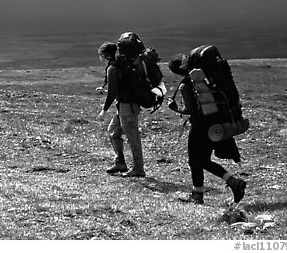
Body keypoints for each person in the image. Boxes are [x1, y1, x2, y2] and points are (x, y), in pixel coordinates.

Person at [167, 54, 246, 204]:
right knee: (202, 160)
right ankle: (204, 192)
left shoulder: (185, 85)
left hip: (199, 127)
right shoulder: (204, 80)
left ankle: (227, 185)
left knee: (195, 161)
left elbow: (190, 110)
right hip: (212, 125)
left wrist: (175, 108)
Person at [97, 33, 165, 178]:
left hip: (127, 107)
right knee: (113, 132)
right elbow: (122, 86)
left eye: (100, 56)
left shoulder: (113, 68)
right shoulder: (121, 64)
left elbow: (114, 91)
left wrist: (104, 110)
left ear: (105, 56)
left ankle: (138, 169)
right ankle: (120, 162)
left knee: (132, 137)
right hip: (125, 106)